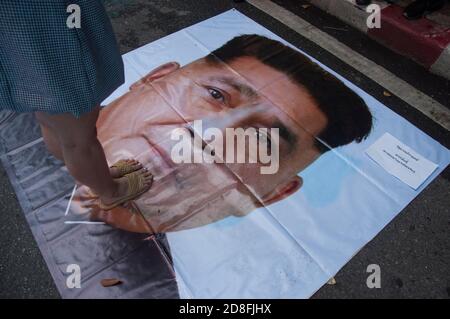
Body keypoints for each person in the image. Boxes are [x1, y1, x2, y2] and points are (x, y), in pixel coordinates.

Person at [71, 34, 373, 234]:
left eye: (261, 139)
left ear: (271, 194)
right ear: (154, 78)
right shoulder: (41, 103)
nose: (209, 135)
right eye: (216, 94)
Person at [0, 1, 153, 210]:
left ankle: (94, 175)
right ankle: (109, 192)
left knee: (52, 118)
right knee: (79, 138)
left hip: (23, 40)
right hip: (46, 30)